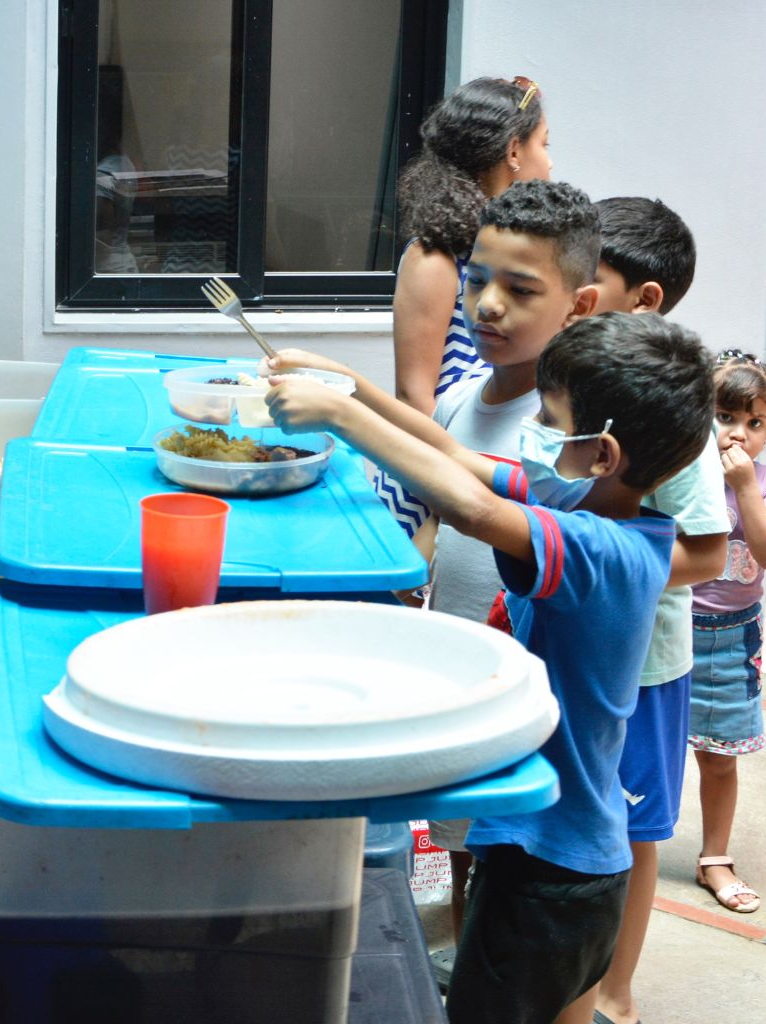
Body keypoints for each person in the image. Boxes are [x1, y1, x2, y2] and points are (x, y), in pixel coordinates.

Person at [264, 312, 716, 1024]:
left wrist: (340, 419)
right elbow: (451, 452)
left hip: (549, 864)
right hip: (585, 864)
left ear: (602, 454)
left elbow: (472, 507)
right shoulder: (595, 504)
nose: (532, 429)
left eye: (548, 417)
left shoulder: (603, 551)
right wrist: (350, 387)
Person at [418, 179, 601, 945]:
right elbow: (436, 528)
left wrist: (349, 405)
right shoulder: (461, 396)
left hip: (530, 688)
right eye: (477, 281)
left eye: (520, 290)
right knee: (460, 841)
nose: (488, 305)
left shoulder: (571, 430)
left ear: (580, 307)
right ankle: (464, 969)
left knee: (516, 864)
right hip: (457, 667)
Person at [591, 197, 729, 1024]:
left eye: (588, 279)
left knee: (636, 831)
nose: (573, 293)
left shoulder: (679, 417)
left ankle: (617, 990)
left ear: (643, 299)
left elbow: (709, 553)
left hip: (643, 666)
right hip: (578, 652)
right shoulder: (582, 386)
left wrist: (598, 566)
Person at [376, 75, 552, 536]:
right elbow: (415, 396)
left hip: (490, 463)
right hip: (438, 474)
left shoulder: (514, 250)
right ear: (514, 151)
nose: (550, 164)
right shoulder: (434, 256)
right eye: (544, 145)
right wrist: (445, 497)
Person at [691, 354, 766, 914]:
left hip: (733, 640)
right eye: (725, 415)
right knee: (641, 745)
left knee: (719, 756)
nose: (738, 432)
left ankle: (715, 856)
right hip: (668, 632)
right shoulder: (677, 472)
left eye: (755, 422)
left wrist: (745, 489)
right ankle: (627, 843)